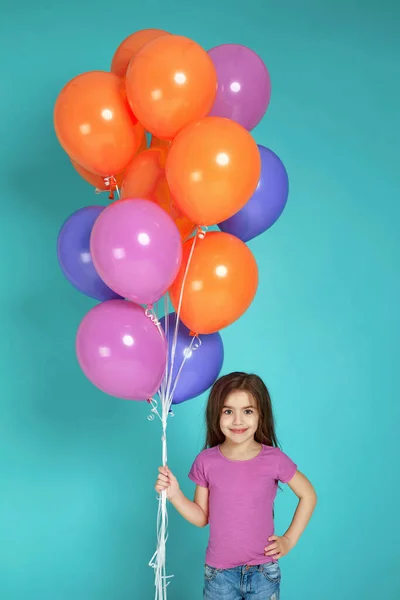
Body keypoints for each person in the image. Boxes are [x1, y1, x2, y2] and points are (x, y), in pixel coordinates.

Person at [155, 372, 317, 599]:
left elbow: (308, 495)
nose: (238, 420)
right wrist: (175, 494)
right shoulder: (206, 461)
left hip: (263, 572)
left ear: (261, 415)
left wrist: (288, 540)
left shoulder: (274, 459)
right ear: (216, 414)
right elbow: (202, 517)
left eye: (247, 411)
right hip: (219, 575)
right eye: (228, 411)